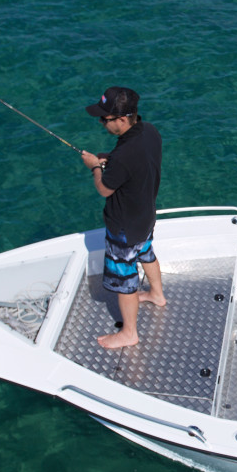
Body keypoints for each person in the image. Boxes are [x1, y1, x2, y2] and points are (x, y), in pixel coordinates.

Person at [80, 86, 166, 349]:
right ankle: (157, 295)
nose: (101, 122)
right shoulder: (149, 131)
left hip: (124, 227)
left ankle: (129, 332)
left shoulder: (123, 156)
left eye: (105, 119)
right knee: (146, 252)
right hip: (145, 216)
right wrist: (110, 160)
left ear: (122, 119)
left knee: (124, 280)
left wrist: (95, 165)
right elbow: (133, 164)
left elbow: (105, 187)